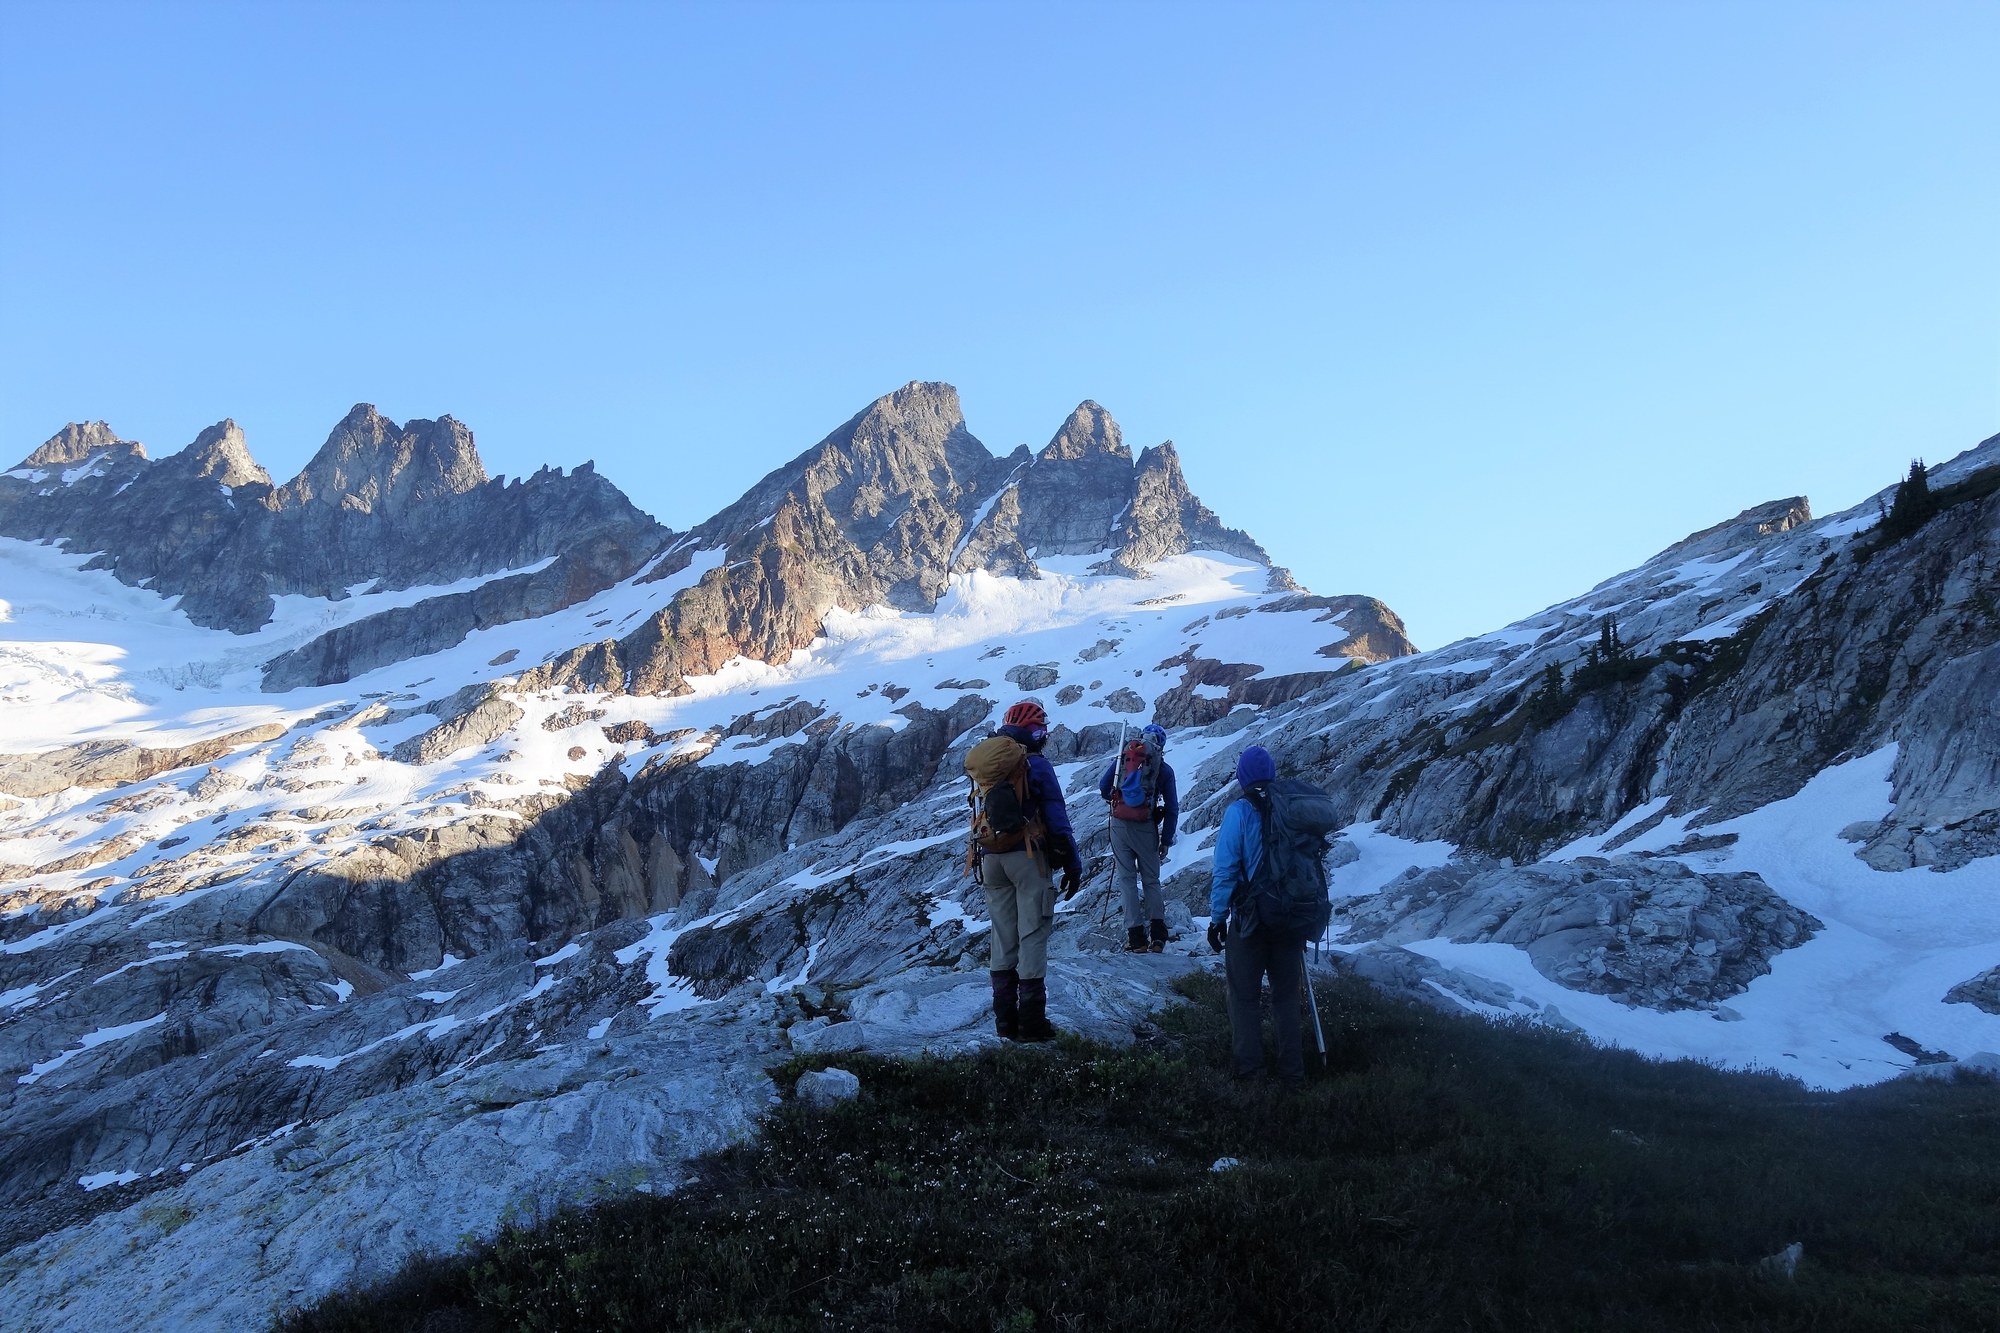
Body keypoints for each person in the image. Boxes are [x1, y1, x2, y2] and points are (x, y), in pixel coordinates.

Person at [975, 699, 1081, 1042]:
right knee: (1032, 934)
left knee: (1003, 937)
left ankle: (1005, 1023)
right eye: (1040, 730)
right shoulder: (1036, 764)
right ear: (1033, 732)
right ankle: (1032, 1024)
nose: (1043, 735)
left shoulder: (992, 763)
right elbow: (1056, 816)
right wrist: (1072, 863)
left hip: (991, 857)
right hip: (1027, 857)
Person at [1207, 744, 1308, 1085]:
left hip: (1251, 920)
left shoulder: (1239, 811)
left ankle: (1251, 1075)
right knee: (1286, 997)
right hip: (1290, 918)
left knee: (1244, 996)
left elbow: (1225, 870)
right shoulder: (1291, 808)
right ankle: (1293, 1076)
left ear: (1243, 777)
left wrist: (1217, 918)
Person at [1098, 722, 1179, 952]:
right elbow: (1172, 808)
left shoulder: (1125, 758)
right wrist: (1166, 840)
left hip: (1119, 825)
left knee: (1127, 880)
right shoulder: (1164, 770)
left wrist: (1119, 801)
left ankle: (1136, 939)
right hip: (1145, 826)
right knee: (1151, 880)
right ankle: (1158, 936)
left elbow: (1104, 786)